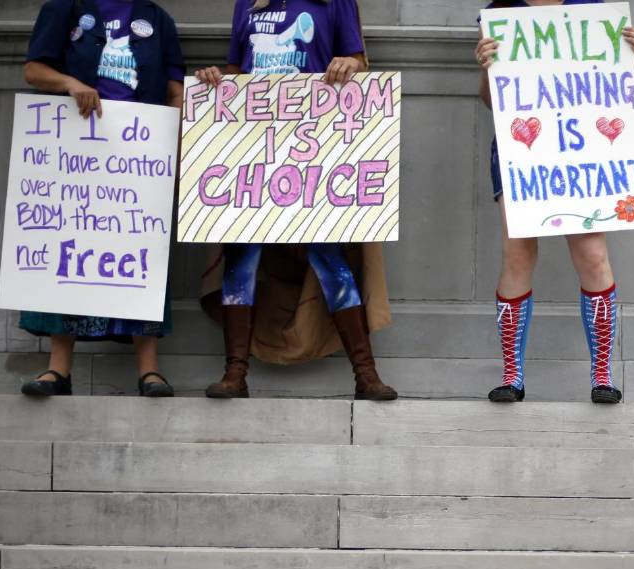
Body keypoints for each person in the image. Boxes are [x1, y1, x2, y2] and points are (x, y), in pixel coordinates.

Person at [194, 0, 396, 401]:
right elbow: (239, 73)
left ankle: (365, 373)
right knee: (242, 253)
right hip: (253, 147)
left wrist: (347, 66)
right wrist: (216, 78)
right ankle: (235, 373)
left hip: (312, 147)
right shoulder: (247, 4)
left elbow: (358, 60)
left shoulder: (334, 1)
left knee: (327, 254)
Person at [475, 0, 634, 404]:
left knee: (591, 254)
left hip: (582, 150)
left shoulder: (594, 9)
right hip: (522, 151)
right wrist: (486, 69)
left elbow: (610, 89)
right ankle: (512, 376)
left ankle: (602, 374)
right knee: (517, 252)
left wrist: (627, 52)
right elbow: (490, 99)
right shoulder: (500, 11)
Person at [19, 0, 184, 398]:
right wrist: (71, 84)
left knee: (140, 253)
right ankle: (58, 370)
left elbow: (174, 87)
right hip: (77, 151)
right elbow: (34, 69)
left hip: (138, 154)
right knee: (69, 251)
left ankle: (149, 371)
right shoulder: (65, 8)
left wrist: (173, 134)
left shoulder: (157, 18)